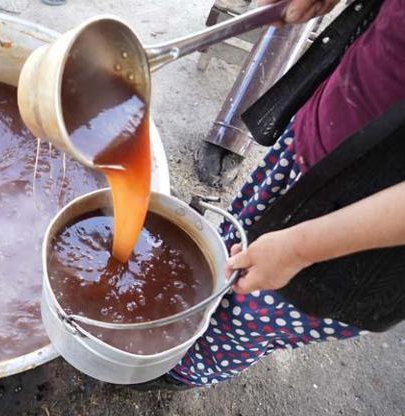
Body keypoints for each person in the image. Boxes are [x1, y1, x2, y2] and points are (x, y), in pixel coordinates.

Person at [158, 0, 405, 388]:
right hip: (319, 138)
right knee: (225, 260)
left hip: (360, 242)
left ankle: (181, 372)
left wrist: (299, 249)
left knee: (246, 318)